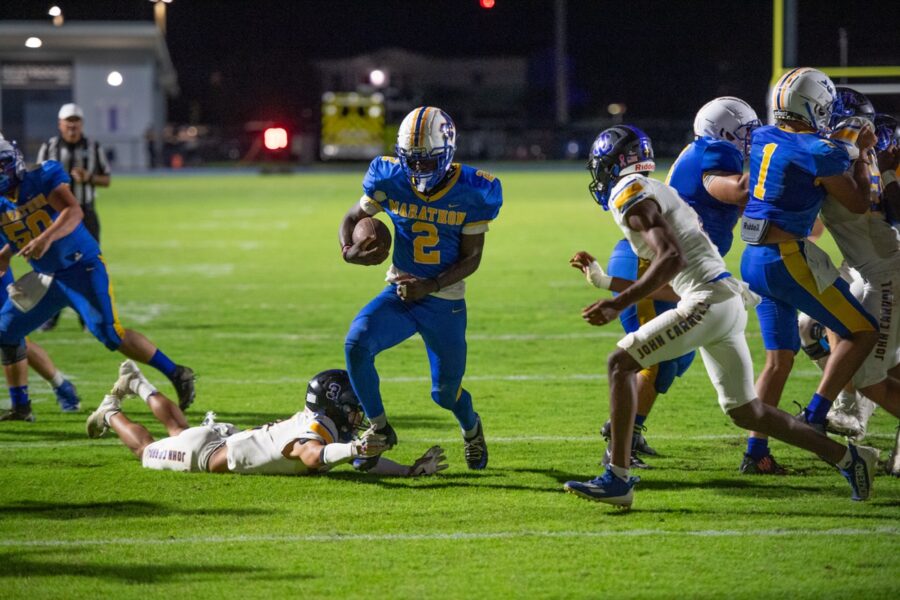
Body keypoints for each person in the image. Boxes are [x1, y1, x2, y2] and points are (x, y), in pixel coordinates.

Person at [563, 125, 878, 508]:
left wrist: (617, 303)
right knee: (748, 411)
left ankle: (617, 478)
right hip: (721, 300)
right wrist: (605, 282)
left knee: (619, 364)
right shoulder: (655, 190)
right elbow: (676, 279)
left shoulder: (628, 193)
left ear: (613, 163)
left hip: (707, 302)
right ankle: (849, 458)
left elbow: (671, 259)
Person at [574, 97, 761, 470]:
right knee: (648, 361)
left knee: (674, 360)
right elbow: (738, 191)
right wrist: (785, 163)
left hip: (682, 273)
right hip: (651, 261)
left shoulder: (700, 157)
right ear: (725, 133)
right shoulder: (713, 155)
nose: (751, 142)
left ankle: (628, 430)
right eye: (746, 135)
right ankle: (618, 449)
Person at [339, 106, 502, 469]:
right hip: (401, 292)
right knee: (357, 343)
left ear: (447, 153)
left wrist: (430, 285)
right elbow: (353, 217)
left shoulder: (475, 190)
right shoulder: (389, 177)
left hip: (443, 300)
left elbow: (472, 258)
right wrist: (348, 251)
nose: (417, 169)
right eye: (410, 160)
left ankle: (471, 428)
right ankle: (379, 429)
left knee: (444, 394)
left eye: (426, 161)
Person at [0, 139, 194, 421]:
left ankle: (177, 372)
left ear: (14, 161)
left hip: (81, 268)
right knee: (5, 331)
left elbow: (72, 211)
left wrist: (45, 239)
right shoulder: (3, 203)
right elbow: (22, 232)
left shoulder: (42, 177)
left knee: (110, 334)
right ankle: (21, 407)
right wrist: (5, 255)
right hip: (46, 278)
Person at [739, 68, 879, 455]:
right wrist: (862, 153)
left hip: (752, 259)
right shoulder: (819, 151)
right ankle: (817, 414)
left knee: (779, 360)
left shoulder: (763, 136)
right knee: (863, 332)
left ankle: (756, 452)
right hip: (786, 258)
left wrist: (839, 147)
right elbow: (856, 202)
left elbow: (801, 150)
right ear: (815, 105)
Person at [86, 362, 448, 478]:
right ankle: (111, 409)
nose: (358, 412)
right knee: (146, 449)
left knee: (179, 430)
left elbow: (358, 462)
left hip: (224, 441)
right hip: (205, 455)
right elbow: (311, 455)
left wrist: (406, 471)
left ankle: (137, 382)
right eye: (352, 405)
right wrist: (355, 446)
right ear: (333, 404)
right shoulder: (317, 430)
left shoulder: (327, 426)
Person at [36, 103, 111, 331]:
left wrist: (89, 177)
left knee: (89, 264)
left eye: (76, 121)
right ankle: (51, 316)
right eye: (68, 121)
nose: (72, 125)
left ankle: (88, 317)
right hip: (56, 216)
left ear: (82, 124)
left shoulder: (93, 147)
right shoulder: (49, 147)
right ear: (60, 124)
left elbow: (106, 180)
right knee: (55, 265)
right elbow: (37, 179)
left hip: (86, 212)